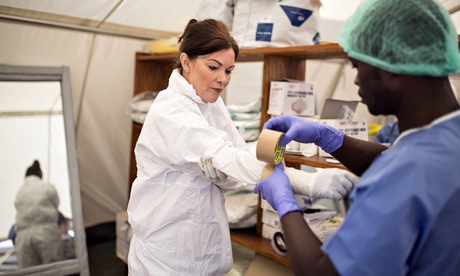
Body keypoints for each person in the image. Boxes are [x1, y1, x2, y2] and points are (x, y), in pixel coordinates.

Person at [127, 18, 358, 275]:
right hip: (164, 255)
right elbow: (229, 157)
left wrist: (269, 145)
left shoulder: (211, 103)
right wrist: (305, 181)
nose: (222, 79)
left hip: (202, 245)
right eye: (214, 67)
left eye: (228, 71)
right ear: (186, 62)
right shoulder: (170, 110)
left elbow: (238, 157)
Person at [254, 0, 460, 275]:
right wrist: (325, 136)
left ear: (391, 68)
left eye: (355, 66)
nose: (355, 80)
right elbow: (391, 157)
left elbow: (324, 271)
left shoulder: (408, 174)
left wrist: (285, 204)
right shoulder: (442, 136)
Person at [14, 160, 64, 268]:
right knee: (53, 269)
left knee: (29, 272)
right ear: (40, 175)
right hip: (47, 233)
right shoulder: (47, 187)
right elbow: (56, 205)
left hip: (24, 238)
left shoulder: (20, 192)